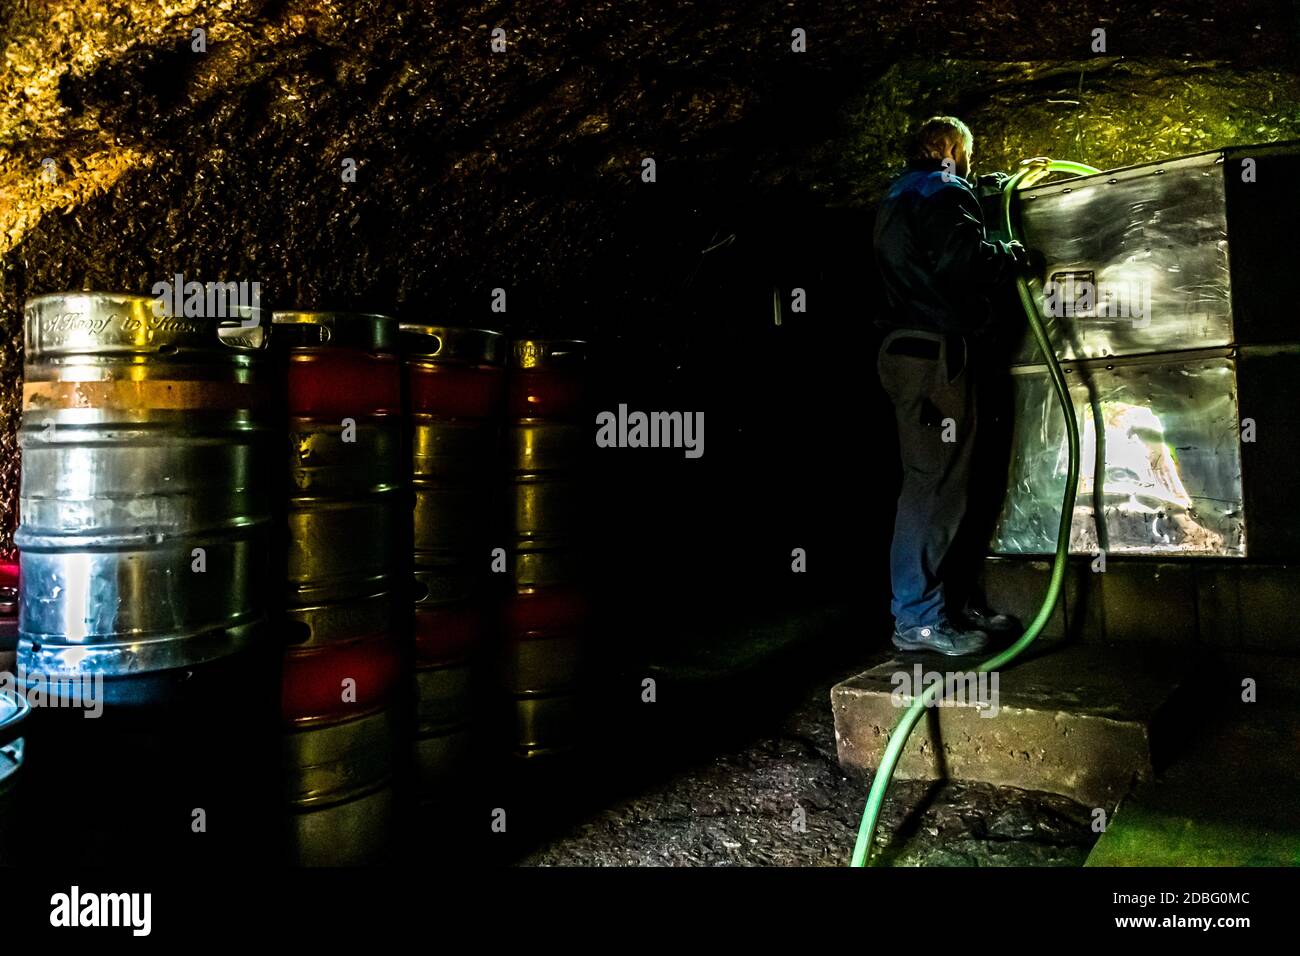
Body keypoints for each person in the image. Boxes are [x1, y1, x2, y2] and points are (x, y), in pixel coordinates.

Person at [873, 116, 1040, 656]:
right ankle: (918, 619)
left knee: (950, 484)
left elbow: (939, 236)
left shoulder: (904, 192)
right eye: (967, 152)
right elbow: (962, 259)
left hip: (912, 350)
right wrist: (1016, 256)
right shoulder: (943, 190)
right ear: (948, 148)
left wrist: (989, 188)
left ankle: (948, 604)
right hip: (933, 357)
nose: (970, 162)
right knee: (933, 485)